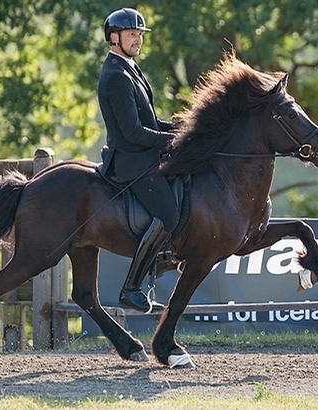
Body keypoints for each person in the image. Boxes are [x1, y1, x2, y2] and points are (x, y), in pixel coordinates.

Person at [97, 8, 179, 313]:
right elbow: (132, 132)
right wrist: (170, 141)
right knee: (168, 215)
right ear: (114, 38)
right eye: (133, 34)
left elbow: (151, 121)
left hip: (144, 155)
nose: (138, 40)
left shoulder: (130, 68)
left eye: (140, 35)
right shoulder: (116, 76)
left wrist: (179, 128)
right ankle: (131, 288)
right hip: (131, 163)